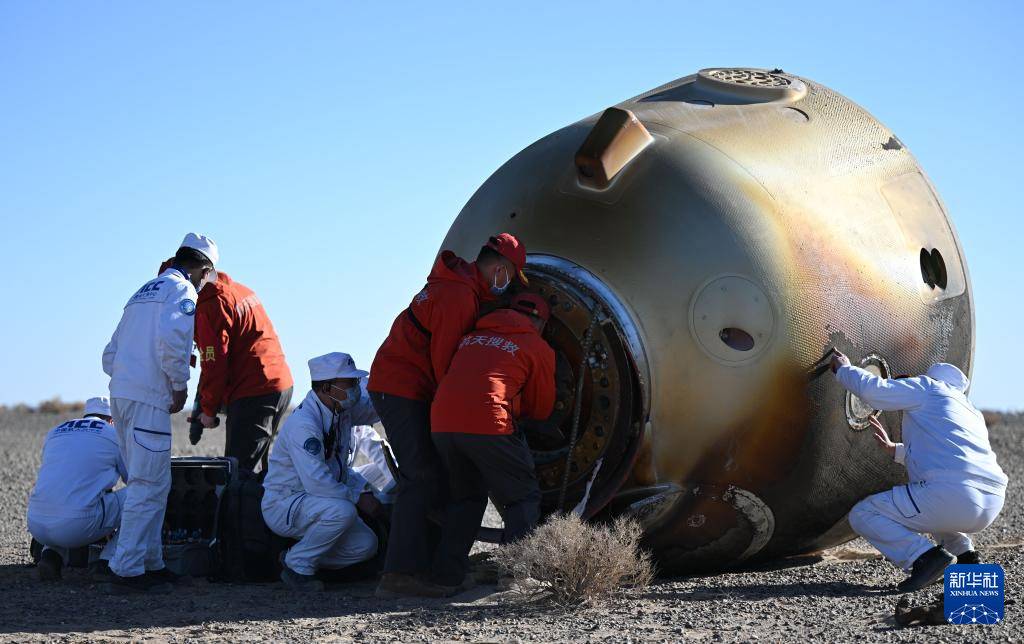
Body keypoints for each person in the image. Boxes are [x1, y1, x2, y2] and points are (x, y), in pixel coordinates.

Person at [368, 233, 529, 597]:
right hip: (401, 388)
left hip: (406, 387)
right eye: (510, 278)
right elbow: (446, 367)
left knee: (437, 478)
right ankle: (399, 575)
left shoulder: (459, 287)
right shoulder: (458, 296)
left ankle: (433, 569)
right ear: (500, 269)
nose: (506, 288)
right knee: (421, 478)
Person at [830, 350, 1007, 592]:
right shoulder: (969, 409)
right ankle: (967, 565)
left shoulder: (928, 387)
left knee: (864, 514)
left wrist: (844, 369)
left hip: (955, 493)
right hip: (991, 502)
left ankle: (924, 559)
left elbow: (876, 392)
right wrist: (897, 451)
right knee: (938, 513)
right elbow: (950, 456)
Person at [101, 233, 218, 593]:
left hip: (122, 396)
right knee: (148, 485)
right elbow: (174, 342)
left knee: (153, 482)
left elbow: (109, 354)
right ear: (204, 268)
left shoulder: (142, 293)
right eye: (208, 276)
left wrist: (129, 379)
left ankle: (150, 561)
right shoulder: (182, 293)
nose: (206, 282)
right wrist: (178, 385)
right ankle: (128, 568)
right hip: (150, 399)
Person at [430, 293, 555, 592]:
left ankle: (447, 577)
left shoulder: (473, 337)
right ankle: (515, 574)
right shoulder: (536, 345)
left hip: (442, 423)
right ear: (539, 322)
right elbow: (541, 408)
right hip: (488, 422)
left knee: (467, 498)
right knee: (522, 497)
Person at [261, 352, 384, 591]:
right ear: (327, 387)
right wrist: (359, 498)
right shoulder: (305, 424)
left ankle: (297, 556)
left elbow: (375, 410)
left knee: (366, 544)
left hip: (318, 500)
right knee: (344, 511)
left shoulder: (340, 410)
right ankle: (299, 566)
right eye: (349, 384)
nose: (356, 389)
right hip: (287, 502)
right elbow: (318, 483)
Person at [189, 269, 294, 473]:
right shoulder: (238, 290)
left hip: (254, 392)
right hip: (278, 383)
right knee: (258, 471)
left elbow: (214, 363)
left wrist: (208, 411)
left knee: (240, 473)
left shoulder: (210, 305)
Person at [27, 397, 127, 582]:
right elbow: (134, 479)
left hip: (36, 523)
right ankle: (106, 561)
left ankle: (51, 557)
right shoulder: (114, 434)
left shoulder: (56, 431)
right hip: (77, 525)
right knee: (142, 494)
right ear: (112, 420)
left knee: (66, 495)